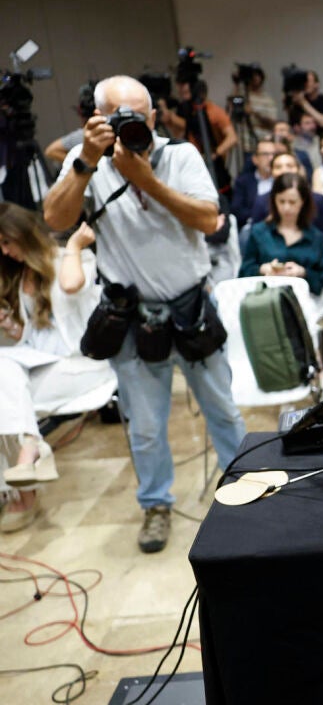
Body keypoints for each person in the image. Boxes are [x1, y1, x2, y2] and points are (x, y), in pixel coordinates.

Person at [43, 75, 246, 554]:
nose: (136, 125)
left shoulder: (181, 156)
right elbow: (55, 219)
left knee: (224, 411)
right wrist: (87, 160)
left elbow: (208, 220)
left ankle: (248, 489)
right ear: (98, 120)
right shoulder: (85, 163)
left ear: (154, 116)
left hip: (191, 308)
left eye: (141, 115)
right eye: (121, 117)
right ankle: (155, 505)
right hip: (132, 317)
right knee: (146, 427)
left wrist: (146, 182)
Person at [0, 206, 108, 532]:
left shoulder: (70, 258)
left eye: (7, 242)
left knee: (5, 386)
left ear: (23, 234)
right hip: (40, 365)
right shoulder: (20, 276)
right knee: (5, 376)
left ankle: (24, 490)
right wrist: (10, 325)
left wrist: (73, 246)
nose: (5, 251)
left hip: (82, 365)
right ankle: (30, 452)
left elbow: (71, 285)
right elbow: (31, 336)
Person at [240, 173, 323, 298]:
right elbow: (244, 272)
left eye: (292, 202)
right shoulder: (259, 232)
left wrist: (302, 272)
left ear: (303, 201)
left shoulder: (316, 237)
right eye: (281, 201)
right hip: (265, 300)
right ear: (274, 200)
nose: (286, 208)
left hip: (306, 301)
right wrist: (263, 269)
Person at [247, 151, 323, 250]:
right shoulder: (262, 201)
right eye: (278, 167)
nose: (284, 170)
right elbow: (254, 240)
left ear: (298, 170)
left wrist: (303, 236)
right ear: (272, 172)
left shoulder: (317, 200)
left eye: (289, 166)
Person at [230, 135, 279, 231]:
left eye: (274, 154)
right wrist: (259, 216)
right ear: (255, 159)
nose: (271, 158)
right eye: (265, 154)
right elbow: (236, 210)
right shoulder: (243, 182)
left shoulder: (281, 180)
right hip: (252, 226)